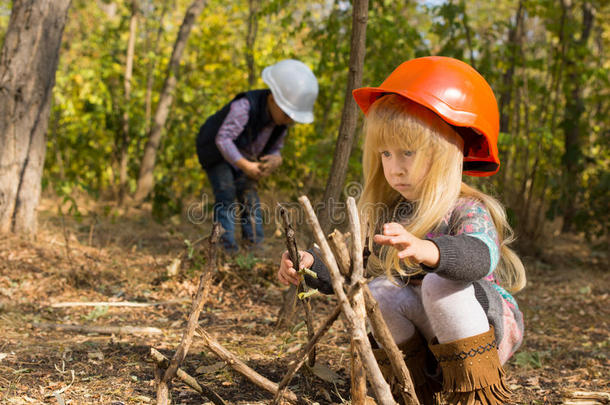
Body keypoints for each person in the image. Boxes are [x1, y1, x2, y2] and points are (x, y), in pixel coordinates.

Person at [277, 56, 526, 405]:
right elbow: (354, 265)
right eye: (386, 154)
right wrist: (310, 264)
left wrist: (431, 251)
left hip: (482, 327)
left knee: (441, 283)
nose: (395, 168)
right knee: (381, 290)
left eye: (408, 152)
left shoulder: (466, 208)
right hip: (432, 339)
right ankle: (412, 388)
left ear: (446, 151)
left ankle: (475, 397)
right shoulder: (391, 213)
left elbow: (480, 255)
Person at [197, 59, 318, 253]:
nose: (290, 121)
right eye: (287, 114)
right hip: (217, 153)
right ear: (272, 99)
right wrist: (246, 166)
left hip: (245, 159)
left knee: (250, 197)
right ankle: (225, 248)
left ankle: (254, 246)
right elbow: (223, 139)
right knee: (226, 194)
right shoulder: (244, 107)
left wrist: (276, 159)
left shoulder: (281, 125)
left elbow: (275, 148)